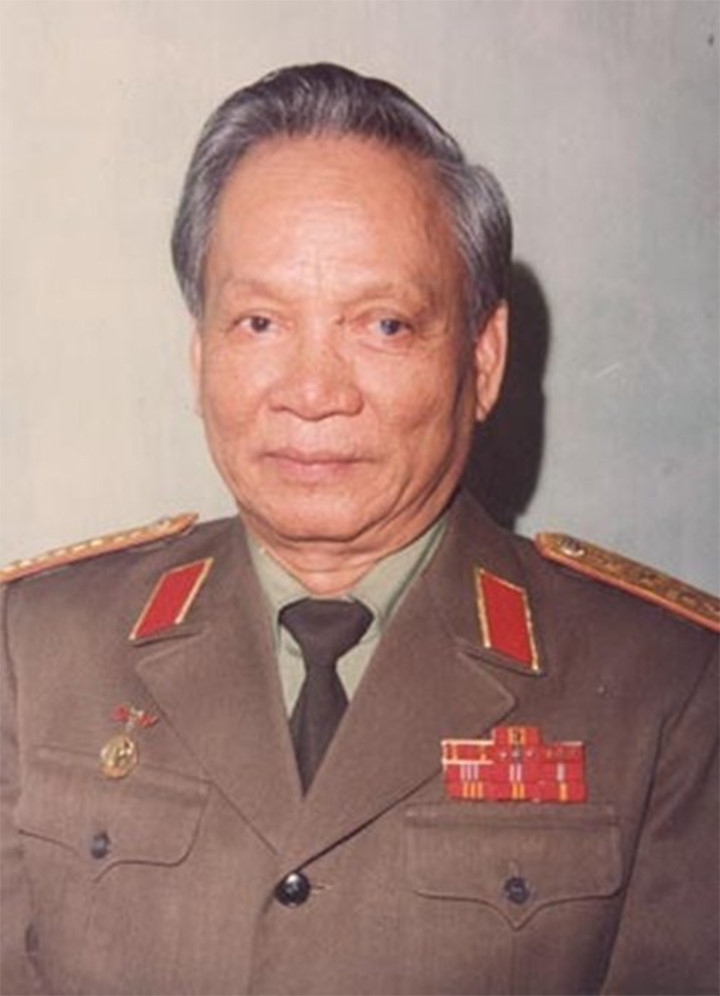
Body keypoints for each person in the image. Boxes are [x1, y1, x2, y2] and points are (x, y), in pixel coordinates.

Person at [1, 63, 717, 996]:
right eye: (260, 322)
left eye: (383, 325)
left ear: (484, 359)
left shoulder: (670, 685)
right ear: (199, 352)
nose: (313, 393)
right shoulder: (36, 647)